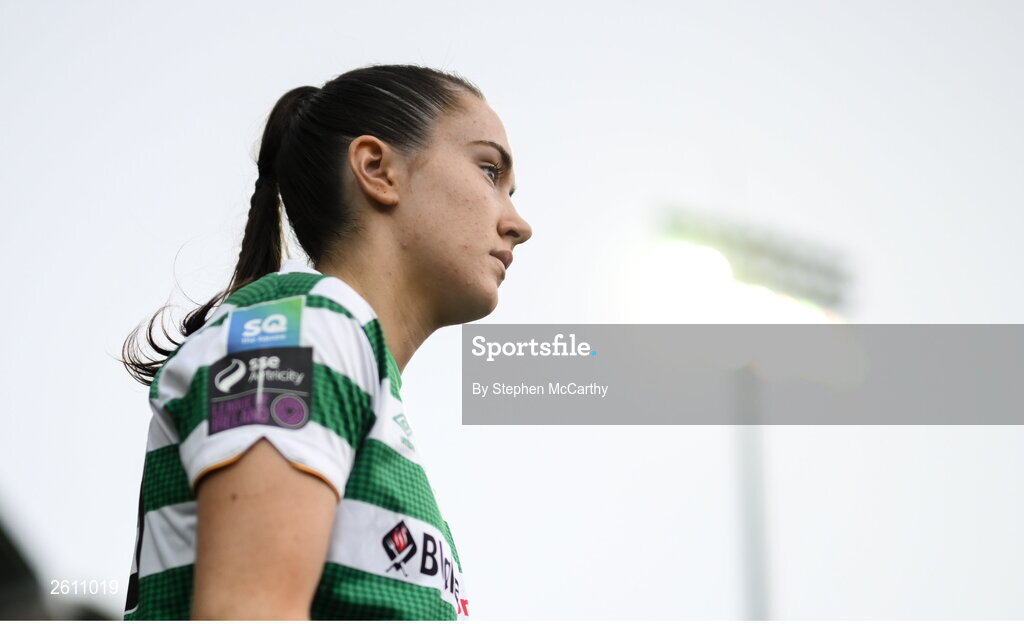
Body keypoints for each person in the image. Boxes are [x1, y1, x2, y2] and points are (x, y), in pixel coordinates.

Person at [120, 64, 532, 620]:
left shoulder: (341, 356)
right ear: (377, 169)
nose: (518, 223)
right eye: (489, 171)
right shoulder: (301, 327)